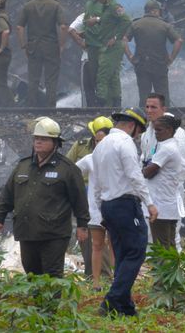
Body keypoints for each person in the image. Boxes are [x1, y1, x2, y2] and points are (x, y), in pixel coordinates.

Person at [0, 117, 89, 278]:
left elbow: (79, 200)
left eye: (43, 139)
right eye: (36, 138)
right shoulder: (22, 166)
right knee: (31, 272)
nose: (38, 142)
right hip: (27, 230)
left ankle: (51, 304)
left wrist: (82, 226)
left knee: (52, 273)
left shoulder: (67, 169)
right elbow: (7, 195)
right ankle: (37, 303)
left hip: (54, 233)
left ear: (55, 143)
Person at [92, 107, 156, 317]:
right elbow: (135, 175)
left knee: (121, 255)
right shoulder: (124, 142)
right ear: (132, 126)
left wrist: (101, 210)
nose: (137, 136)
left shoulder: (101, 146)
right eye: (138, 131)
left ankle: (125, 307)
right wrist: (149, 202)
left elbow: (97, 183)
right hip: (125, 204)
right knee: (137, 250)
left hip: (109, 205)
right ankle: (111, 301)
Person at [67, 116, 115, 285]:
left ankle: (106, 275)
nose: (98, 143)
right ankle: (92, 274)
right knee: (87, 238)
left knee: (108, 240)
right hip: (86, 196)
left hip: (107, 197)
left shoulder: (116, 152)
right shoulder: (82, 149)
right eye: (96, 139)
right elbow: (69, 168)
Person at [16, 0, 68, 107]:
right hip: (51, 47)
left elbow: (19, 27)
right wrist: (61, 45)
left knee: (33, 79)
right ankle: (50, 108)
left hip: (33, 48)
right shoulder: (55, 5)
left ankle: (32, 107)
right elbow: (63, 26)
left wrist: (23, 45)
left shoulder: (28, 6)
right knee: (51, 80)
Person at [124, 0, 183, 106]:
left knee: (144, 97)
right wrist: (171, 58)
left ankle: (144, 120)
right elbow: (179, 41)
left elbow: (124, 40)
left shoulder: (136, 24)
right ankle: (164, 120)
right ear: (155, 11)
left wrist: (130, 57)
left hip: (141, 65)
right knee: (162, 97)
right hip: (160, 65)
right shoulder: (165, 25)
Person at [142, 114, 185, 248]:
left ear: (169, 130)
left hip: (161, 206)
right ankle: (172, 269)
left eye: (159, 130)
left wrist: (144, 168)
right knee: (169, 245)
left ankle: (163, 269)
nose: (156, 133)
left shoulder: (167, 148)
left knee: (161, 247)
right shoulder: (168, 146)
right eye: (155, 130)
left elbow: (147, 172)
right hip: (168, 205)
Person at [89, 0, 132, 108]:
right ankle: (116, 104)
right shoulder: (106, 7)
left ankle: (101, 104)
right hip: (109, 46)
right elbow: (109, 19)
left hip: (112, 47)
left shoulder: (115, 6)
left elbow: (126, 20)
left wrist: (115, 37)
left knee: (102, 75)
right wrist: (97, 19)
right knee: (113, 76)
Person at [80, 0, 109, 107]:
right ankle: (96, 108)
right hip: (93, 48)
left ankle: (105, 108)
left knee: (103, 81)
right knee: (93, 81)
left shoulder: (104, 4)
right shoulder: (90, 4)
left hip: (101, 48)